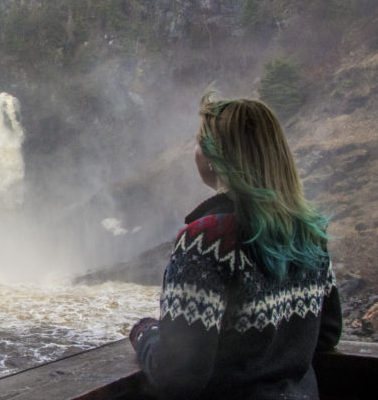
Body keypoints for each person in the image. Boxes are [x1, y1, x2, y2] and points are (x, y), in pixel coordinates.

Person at [129, 92, 342, 399]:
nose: (195, 151)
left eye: (199, 143)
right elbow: (328, 333)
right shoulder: (308, 232)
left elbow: (178, 373)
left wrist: (144, 333)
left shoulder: (206, 240)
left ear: (215, 160)